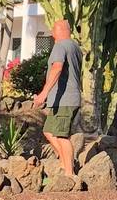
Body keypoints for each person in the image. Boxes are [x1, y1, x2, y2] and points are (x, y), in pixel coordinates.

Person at [32, 19, 84, 177]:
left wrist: (43, 93)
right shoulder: (75, 47)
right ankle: (64, 160)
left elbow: (57, 68)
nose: (52, 33)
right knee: (49, 131)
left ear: (59, 30)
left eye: (53, 30)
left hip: (65, 100)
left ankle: (69, 173)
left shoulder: (60, 46)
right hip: (66, 99)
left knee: (62, 136)